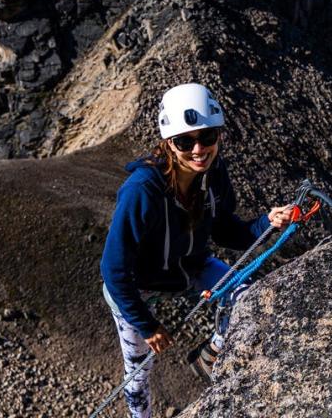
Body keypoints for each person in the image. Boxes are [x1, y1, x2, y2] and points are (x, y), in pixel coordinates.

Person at [100, 82, 294, 418]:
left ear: (218, 136)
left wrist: (268, 222)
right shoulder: (142, 191)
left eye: (207, 137)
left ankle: (210, 356)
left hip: (190, 268)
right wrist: (147, 325)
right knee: (138, 372)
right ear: (169, 143)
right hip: (138, 286)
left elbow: (226, 231)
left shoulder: (214, 176)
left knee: (251, 298)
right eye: (185, 141)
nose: (198, 149)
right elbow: (113, 270)